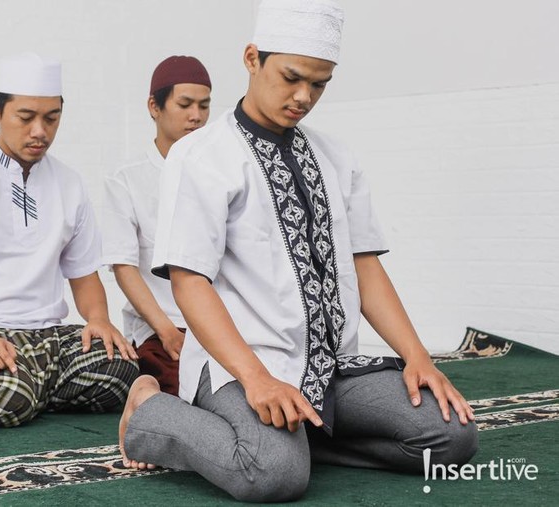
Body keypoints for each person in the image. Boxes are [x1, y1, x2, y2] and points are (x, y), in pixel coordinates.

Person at [118, 0, 478, 501]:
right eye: (291, 77)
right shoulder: (202, 155)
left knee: (450, 437)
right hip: (241, 367)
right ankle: (151, 412)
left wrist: (416, 356)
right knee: (273, 476)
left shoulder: (336, 156)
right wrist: (256, 379)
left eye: (320, 83)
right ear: (251, 59)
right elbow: (189, 281)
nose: (304, 96)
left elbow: (364, 266)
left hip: (330, 369)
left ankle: (300, 440)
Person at [0, 53, 139, 428]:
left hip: (48, 338)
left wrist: (99, 319)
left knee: (123, 367)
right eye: (26, 117)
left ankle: (31, 390)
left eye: (52, 118)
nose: (40, 131)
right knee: (6, 394)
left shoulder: (70, 183)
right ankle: (25, 389)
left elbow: (84, 276)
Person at [102, 56, 212, 396]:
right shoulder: (127, 179)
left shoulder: (220, 175)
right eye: (185, 104)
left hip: (215, 325)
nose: (196, 116)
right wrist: (166, 330)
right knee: (191, 392)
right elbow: (124, 267)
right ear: (154, 106)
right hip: (159, 330)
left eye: (204, 105)